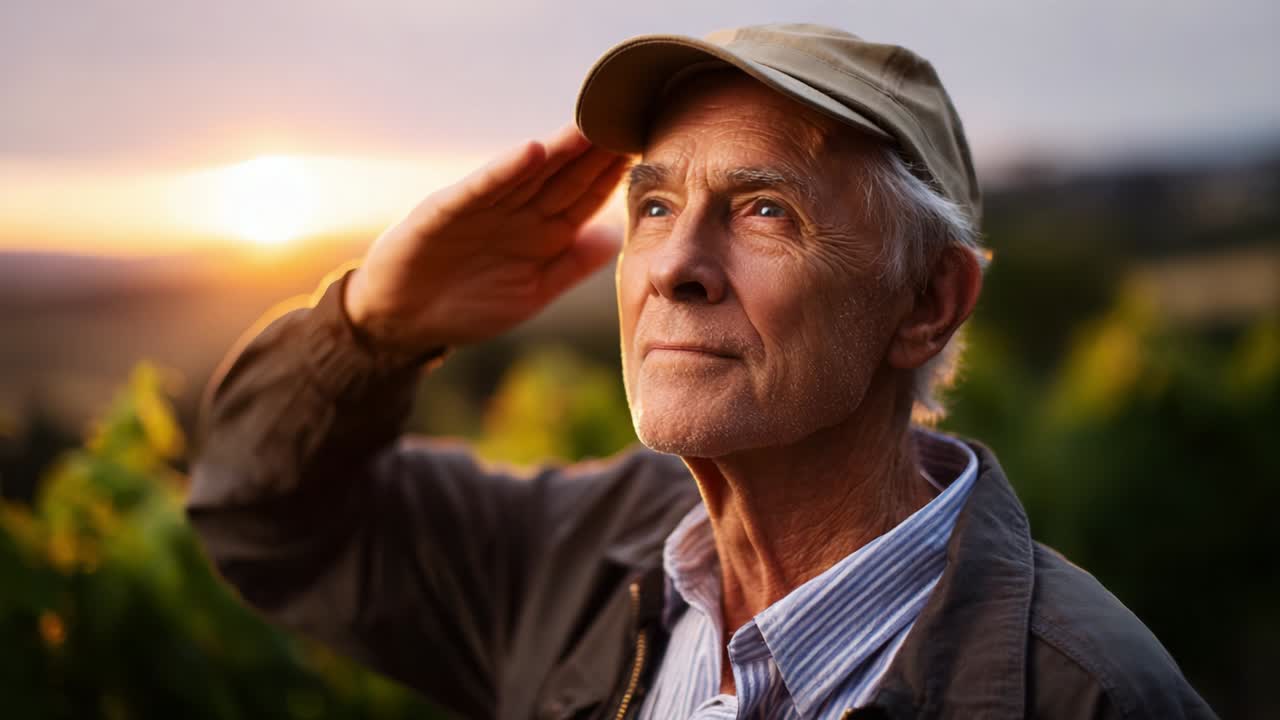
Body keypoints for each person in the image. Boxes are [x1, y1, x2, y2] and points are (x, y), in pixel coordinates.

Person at [188, 23, 1215, 720]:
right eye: (652, 206)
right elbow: (264, 518)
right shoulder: (575, 558)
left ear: (925, 303)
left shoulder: (1088, 695)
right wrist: (374, 323)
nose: (675, 265)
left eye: (764, 208)